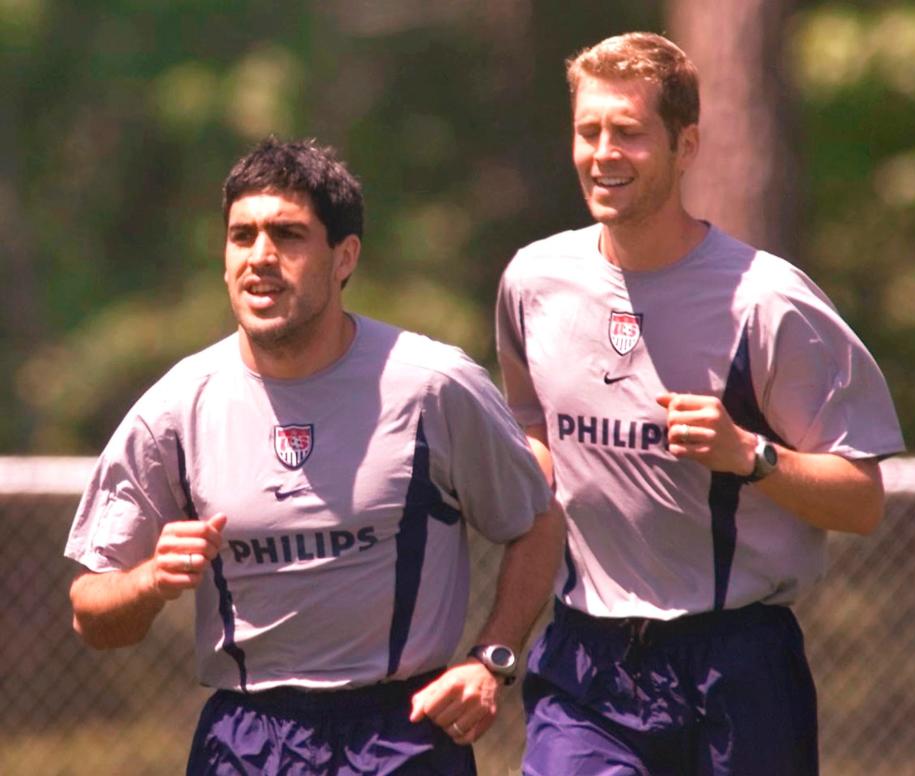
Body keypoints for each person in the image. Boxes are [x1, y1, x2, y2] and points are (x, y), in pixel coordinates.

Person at [65, 136, 565, 775]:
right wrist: (150, 581)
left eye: (288, 235)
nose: (261, 258)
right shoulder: (176, 407)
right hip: (245, 739)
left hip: (402, 734)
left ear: (343, 257)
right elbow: (92, 612)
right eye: (242, 236)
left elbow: (539, 518)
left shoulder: (432, 385)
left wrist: (492, 659)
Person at [495, 32, 904, 776]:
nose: (602, 153)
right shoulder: (533, 282)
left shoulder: (768, 303)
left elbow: (862, 501)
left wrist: (749, 456)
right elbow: (532, 419)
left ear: (687, 145)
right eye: (589, 131)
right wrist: (529, 467)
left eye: (628, 132)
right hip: (587, 661)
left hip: (736, 664)